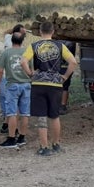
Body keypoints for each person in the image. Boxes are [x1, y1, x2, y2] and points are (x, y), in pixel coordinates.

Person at [21, 21, 77, 156]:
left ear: (40, 32)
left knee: (41, 117)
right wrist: (64, 77)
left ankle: (44, 147)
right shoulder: (60, 46)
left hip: (39, 84)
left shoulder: (34, 46)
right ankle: (56, 144)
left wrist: (30, 73)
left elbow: (23, 61)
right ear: (53, 32)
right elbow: (73, 62)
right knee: (54, 116)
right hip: (55, 84)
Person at [0, 32, 31, 148]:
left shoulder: (6, 53)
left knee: (12, 113)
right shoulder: (27, 52)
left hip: (12, 85)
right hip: (26, 84)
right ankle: (22, 137)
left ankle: (11, 139)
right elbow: (32, 69)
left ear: (12, 41)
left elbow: (0, 71)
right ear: (22, 41)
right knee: (25, 113)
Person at [59, 40, 77, 115]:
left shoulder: (56, 41)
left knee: (62, 86)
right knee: (65, 87)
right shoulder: (72, 41)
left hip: (61, 66)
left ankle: (61, 105)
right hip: (67, 66)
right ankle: (63, 105)